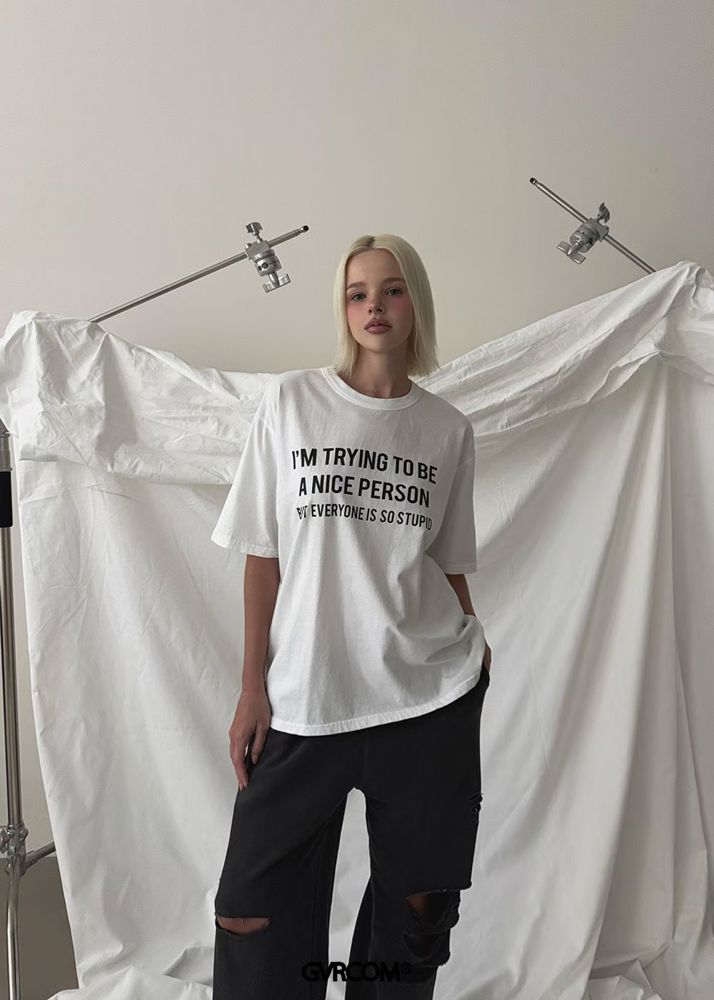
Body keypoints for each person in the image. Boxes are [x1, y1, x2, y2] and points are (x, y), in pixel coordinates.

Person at [210, 233, 492, 999]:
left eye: (392, 289)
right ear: (341, 307)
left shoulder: (447, 430)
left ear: (414, 302)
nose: (375, 306)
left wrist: (477, 651)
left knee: (418, 913)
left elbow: (446, 563)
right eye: (357, 292)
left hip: (427, 697)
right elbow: (262, 555)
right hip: (307, 695)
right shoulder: (292, 403)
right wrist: (251, 688)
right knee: (248, 910)